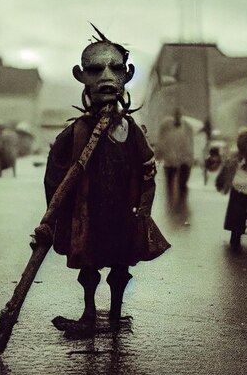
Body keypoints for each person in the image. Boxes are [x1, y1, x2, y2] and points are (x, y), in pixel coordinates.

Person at [43, 24, 169, 329]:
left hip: (123, 214)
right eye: (96, 69)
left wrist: (145, 205)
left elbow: (148, 169)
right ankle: (89, 313)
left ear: (126, 74)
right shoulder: (74, 135)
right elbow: (54, 180)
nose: (106, 77)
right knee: (88, 265)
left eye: (115, 68)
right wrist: (52, 219)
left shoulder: (131, 131)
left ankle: (114, 313)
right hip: (90, 215)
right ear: (82, 75)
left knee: (121, 264)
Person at [156, 108, 194, 196]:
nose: (177, 117)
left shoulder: (186, 128)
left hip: (182, 160)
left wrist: (189, 158)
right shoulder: (168, 127)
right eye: (176, 115)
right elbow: (163, 143)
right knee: (170, 184)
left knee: (182, 185)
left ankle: (180, 203)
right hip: (170, 161)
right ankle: (173, 204)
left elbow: (188, 145)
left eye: (178, 115)